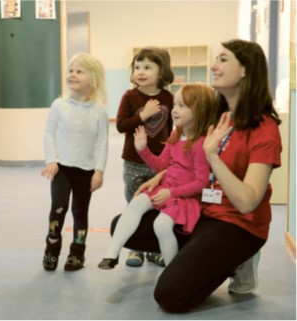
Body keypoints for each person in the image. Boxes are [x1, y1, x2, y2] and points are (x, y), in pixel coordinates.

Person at [110, 39, 282, 312]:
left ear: (246, 70)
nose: (214, 65)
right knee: (122, 225)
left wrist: (214, 156)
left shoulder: (264, 128)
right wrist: (163, 173)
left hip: (238, 224)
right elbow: (187, 156)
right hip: (203, 209)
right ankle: (215, 258)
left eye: (223, 59)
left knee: (170, 296)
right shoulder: (217, 113)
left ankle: (240, 259)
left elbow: (248, 201)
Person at [99, 84, 218, 270]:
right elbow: (161, 165)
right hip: (166, 187)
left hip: (183, 197)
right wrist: (143, 150)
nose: (174, 110)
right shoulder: (176, 135)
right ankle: (112, 254)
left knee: (162, 225)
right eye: (175, 105)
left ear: (199, 111)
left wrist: (172, 193)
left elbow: (201, 183)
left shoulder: (200, 144)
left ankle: (172, 270)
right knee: (136, 203)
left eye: (181, 106)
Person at [41, 52, 108, 272]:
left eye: (80, 71)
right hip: (62, 169)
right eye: (71, 70)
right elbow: (49, 133)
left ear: (94, 79)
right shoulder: (59, 105)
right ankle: (51, 252)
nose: (73, 74)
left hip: (86, 172)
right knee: (58, 209)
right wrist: (51, 160)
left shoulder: (99, 112)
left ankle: (77, 254)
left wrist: (99, 171)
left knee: (80, 213)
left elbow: (102, 143)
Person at [115, 47, 174, 268]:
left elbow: (170, 129)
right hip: (134, 162)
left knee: (158, 204)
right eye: (137, 67)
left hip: (159, 163)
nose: (140, 71)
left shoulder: (168, 97)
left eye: (148, 67)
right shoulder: (130, 96)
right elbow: (121, 126)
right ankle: (136, 249)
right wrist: (143, 115)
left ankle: (154, 248)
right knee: (134, 204)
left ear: (162, 71)